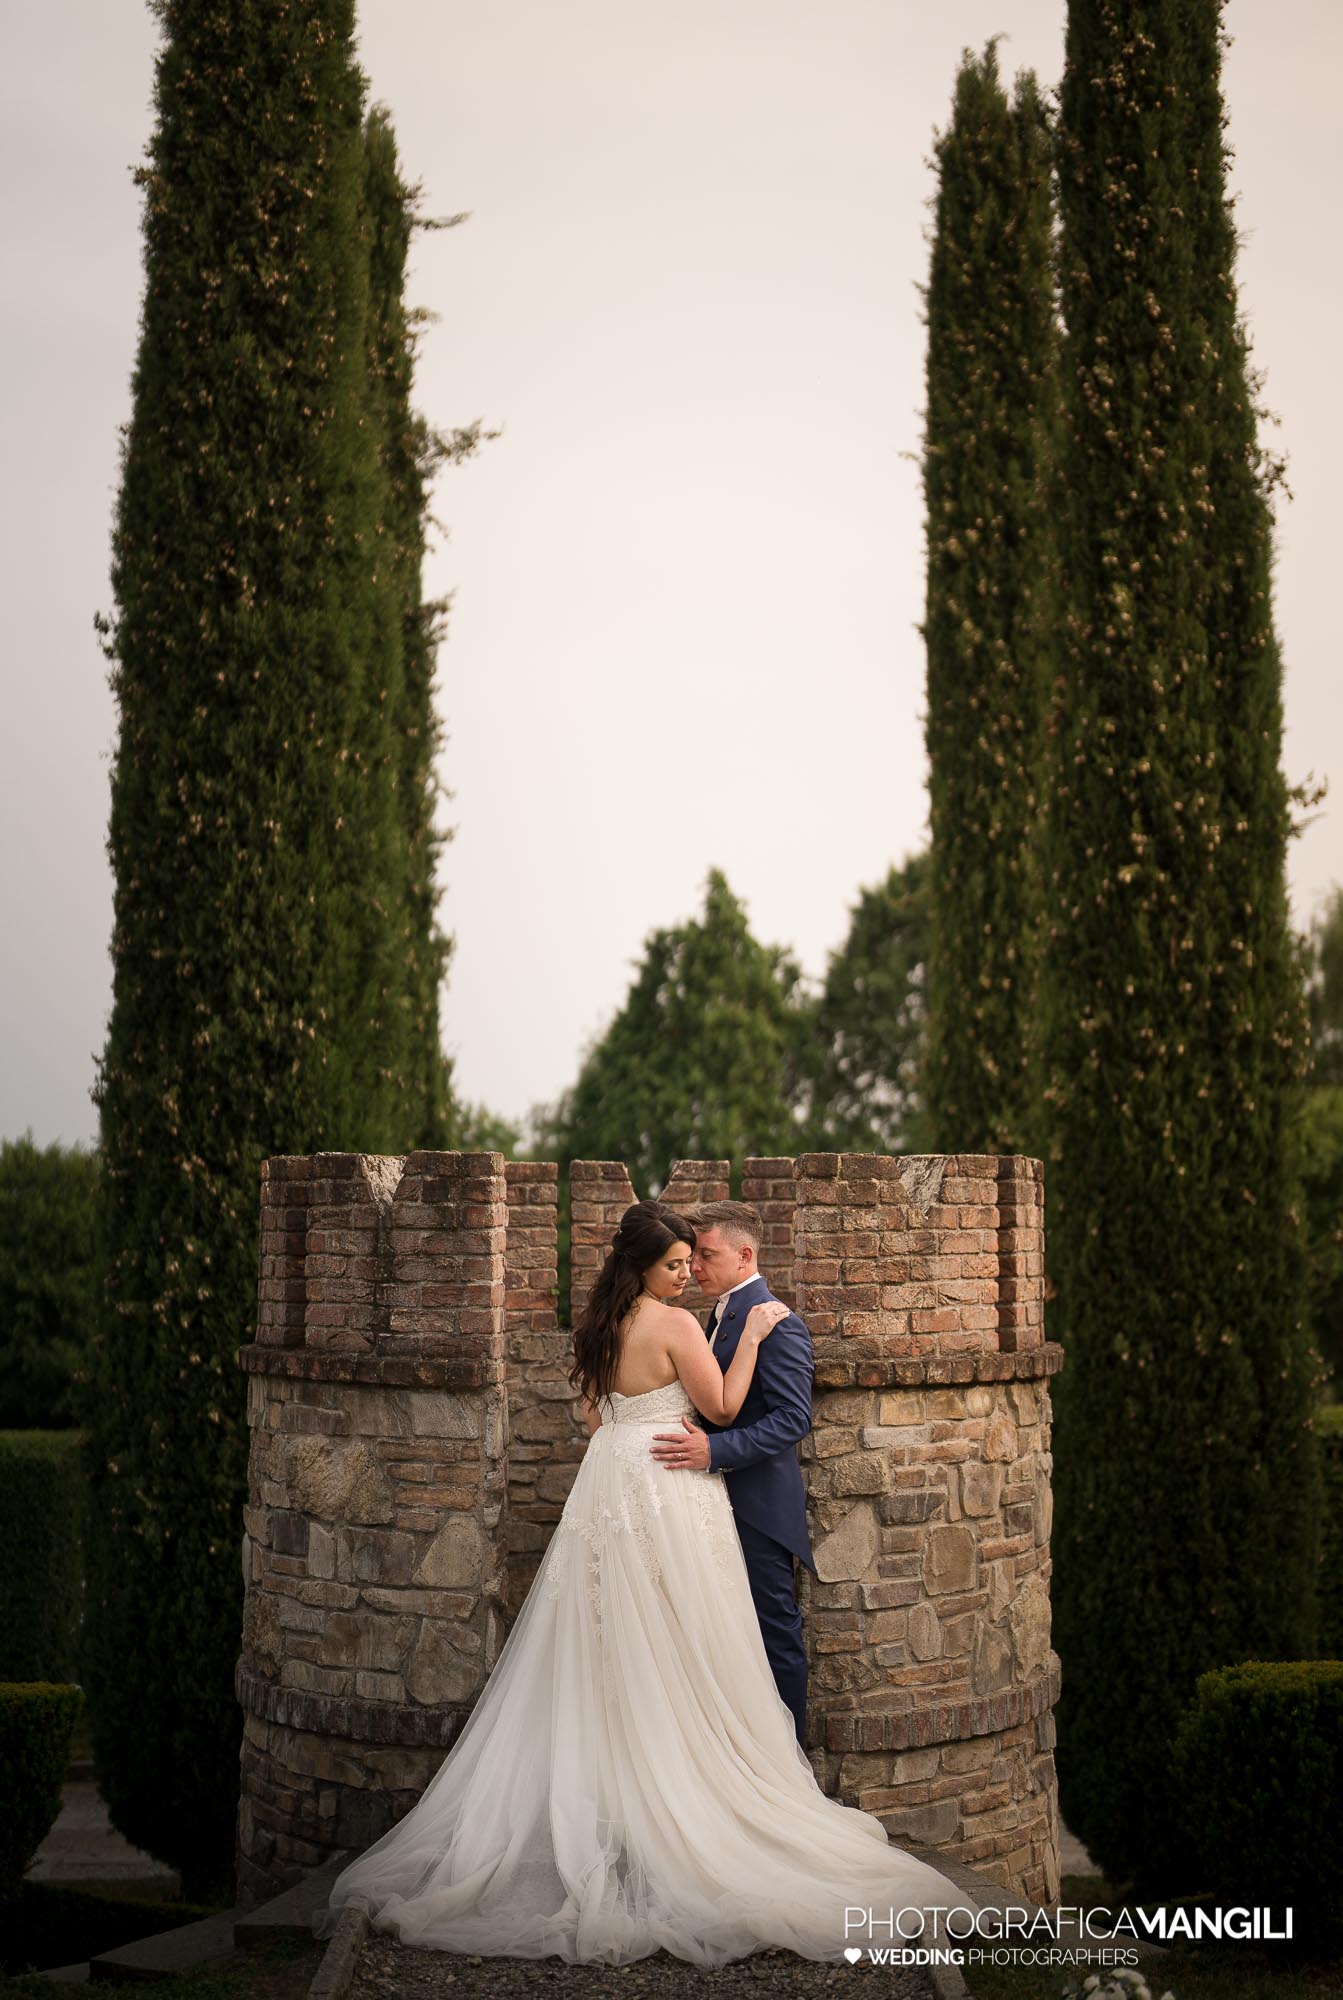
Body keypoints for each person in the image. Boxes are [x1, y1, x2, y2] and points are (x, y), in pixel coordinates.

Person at [316, 1199, 962, 1966]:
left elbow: (597, 1421)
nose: (686, 1274)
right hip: (668, 1486)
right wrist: (750, 1342)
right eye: (675, 1264)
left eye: (694, 1262)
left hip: (611, 1478)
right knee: (684, 1632)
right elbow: (722, 1405)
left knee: (607, 1635)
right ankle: (693, 1799)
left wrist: (638, 1441)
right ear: (645, 1266)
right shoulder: (680, 1325)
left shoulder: (597, 1326)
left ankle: (616, 1803)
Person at [648, 1199, 813, 1743]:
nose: (694, 1267)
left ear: (745, 1256)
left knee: (773, 1632)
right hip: (710, 1502)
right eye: (692, 1256)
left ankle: (791, 1764)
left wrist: (714, 1451)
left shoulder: (778, 1323)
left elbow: (793, 1418)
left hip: (758, 1507)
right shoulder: (717, 1316)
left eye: (707, 1255)